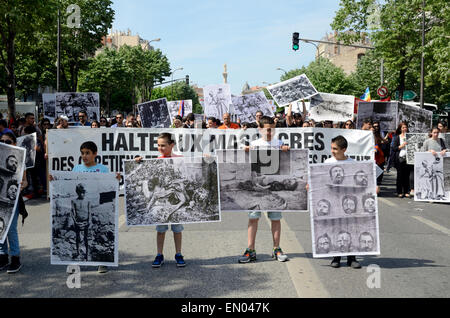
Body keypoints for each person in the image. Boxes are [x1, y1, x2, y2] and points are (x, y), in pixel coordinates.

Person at [49, 141, 120, 273]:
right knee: (77, 238)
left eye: (87, 153)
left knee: (88, 238)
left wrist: (116, 178)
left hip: (86, 221)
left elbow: (108, 185)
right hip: (78, 221)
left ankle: (101, 263)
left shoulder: (103, 169)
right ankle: (76, 261)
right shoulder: (77, 169)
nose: (84, 156)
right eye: (82, 153)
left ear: (95, 154)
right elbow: (72, 208)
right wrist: (55, 180)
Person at [238, 116, 290, 263]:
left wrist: (286, 149)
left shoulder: (279, 143)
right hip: (256, 189)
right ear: (260, 129)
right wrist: (246, 150)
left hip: (273, 188)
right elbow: (243, 160)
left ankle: (276, 248)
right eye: (267, 130)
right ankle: (250, 249)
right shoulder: (254, 144)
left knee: (275, 219)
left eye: (272, 129)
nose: (270, 132)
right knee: (253, 217)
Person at [134, 133, 186, 268]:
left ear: (171, 145)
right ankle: (159, 254)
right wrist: (139, 161)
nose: (160, 148)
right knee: (161, 229)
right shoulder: (157, 160)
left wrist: (207, 158)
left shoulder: (179, 159)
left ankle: (178, 254)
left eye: (163, 145)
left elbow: (182, 178)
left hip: (175, 191)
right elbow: (154, 175)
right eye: (158, 145)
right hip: (166, 191)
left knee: (177, 229)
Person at [324, 135, 361, 269]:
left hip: (349, 203)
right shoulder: (327, 163)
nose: (332, 151)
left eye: (335, 149)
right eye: (332, 148)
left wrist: (374, 186)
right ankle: (336, 257)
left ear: (344, 149)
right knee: (336, 229)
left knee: (350, 229)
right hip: (334, 202)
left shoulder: (353, 163)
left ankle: (352, 258)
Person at [0, 132, 28, 273]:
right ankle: (2, 256)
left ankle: (15, 258)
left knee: (10, 229)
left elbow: (25, 181)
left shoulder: (20, 161)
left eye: (8, 141)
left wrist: (22, 185)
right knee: (0, 228)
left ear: (15, 144)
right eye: (2, 140)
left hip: (13, 200)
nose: (5, 142)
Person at [392, 122, 413, 198]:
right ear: (400, 129)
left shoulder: (410, 137)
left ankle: (407, 191)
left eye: (406, 127)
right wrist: (402, 145)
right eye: (403, 127)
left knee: (407, 175)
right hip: (400, 158)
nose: (405, 129)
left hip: (408, 158)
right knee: (400, 175)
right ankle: (399, 191)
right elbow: (394, 148)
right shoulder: (397, 137)